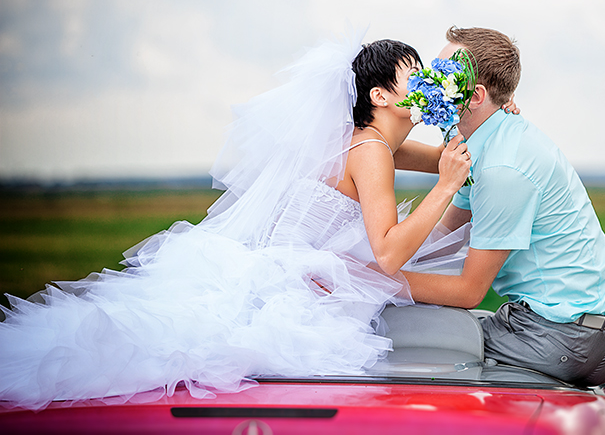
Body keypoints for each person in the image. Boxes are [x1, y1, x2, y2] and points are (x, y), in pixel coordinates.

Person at [0, 32, 472, 411]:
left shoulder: (364, 141)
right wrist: (447, 187)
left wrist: (484, 117)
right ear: (380, 95)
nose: (430, 82)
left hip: (279, 271)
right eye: (416, 76)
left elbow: (449, 156)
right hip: (295, 287)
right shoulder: (371, 151)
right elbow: (389, 253)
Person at [402, 26, 605, 387]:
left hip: (564, 337)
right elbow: (443, 238)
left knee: (409, 341)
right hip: (577, 331)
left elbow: (468, 291)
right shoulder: (492, 141)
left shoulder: (500, 169)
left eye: (440, 73)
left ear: (475, 96)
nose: (428, 80)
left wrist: (373, 280)